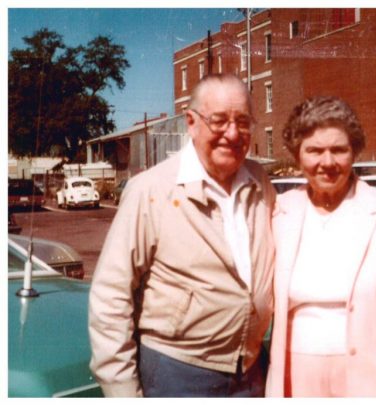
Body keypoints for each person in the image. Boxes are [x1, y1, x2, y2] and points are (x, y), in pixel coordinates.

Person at [88, 74, 276, 397]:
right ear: (191, 122)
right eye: (218, 121)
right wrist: (121, 390)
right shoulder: (152, 188)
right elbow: (110, 295)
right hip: (177, 374)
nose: (232, 134)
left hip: (251, 371)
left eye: (243, 122)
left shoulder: (259, 183)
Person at [265, 96, 376, 397]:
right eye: (314, 150)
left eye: (339, 150)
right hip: (296, 378)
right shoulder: (279, 212)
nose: (327, 162)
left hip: (375, 381)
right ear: (298, 155)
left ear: (355, 151)